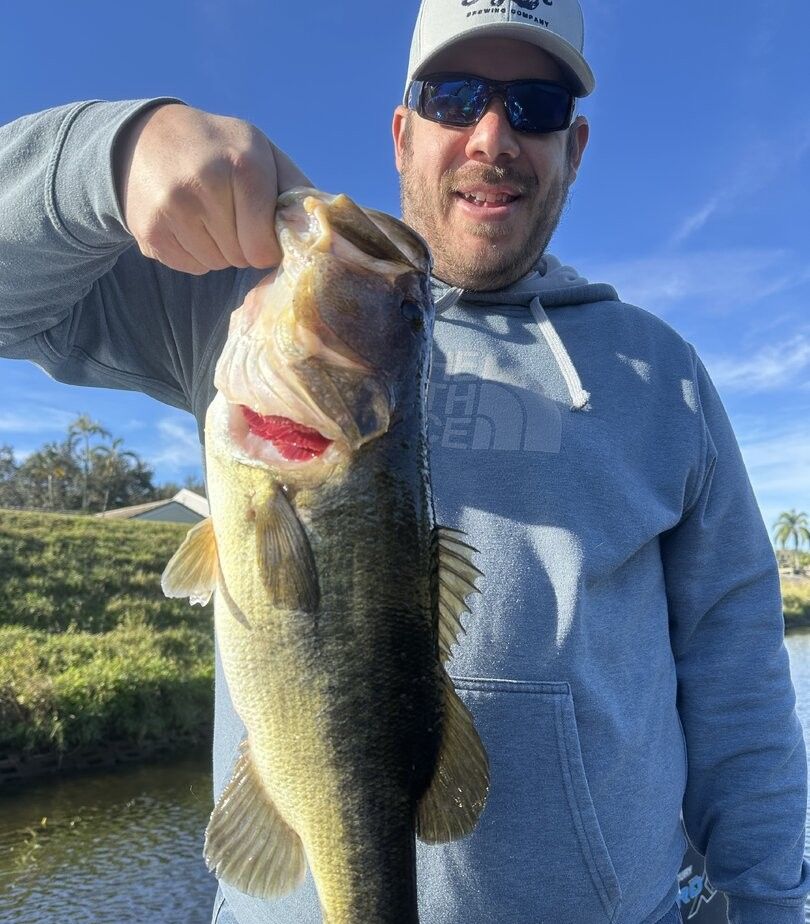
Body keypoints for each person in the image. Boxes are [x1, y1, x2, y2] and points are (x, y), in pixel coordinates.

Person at [0, 0, 808, 921]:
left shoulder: (663, 378)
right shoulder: (227, 305)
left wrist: (769, 904)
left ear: (574, 149)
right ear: (401, 131)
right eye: (455, 96)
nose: (492, 135)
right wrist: (110, 155)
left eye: (535, 105)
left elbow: (738, 682)